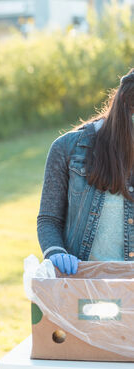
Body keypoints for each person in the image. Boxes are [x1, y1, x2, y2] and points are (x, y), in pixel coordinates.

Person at [38, 68, 134, 275]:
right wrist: (56, 253)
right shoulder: (67, 149)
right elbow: (49, 219)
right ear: (128, 111)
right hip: (82, 282)